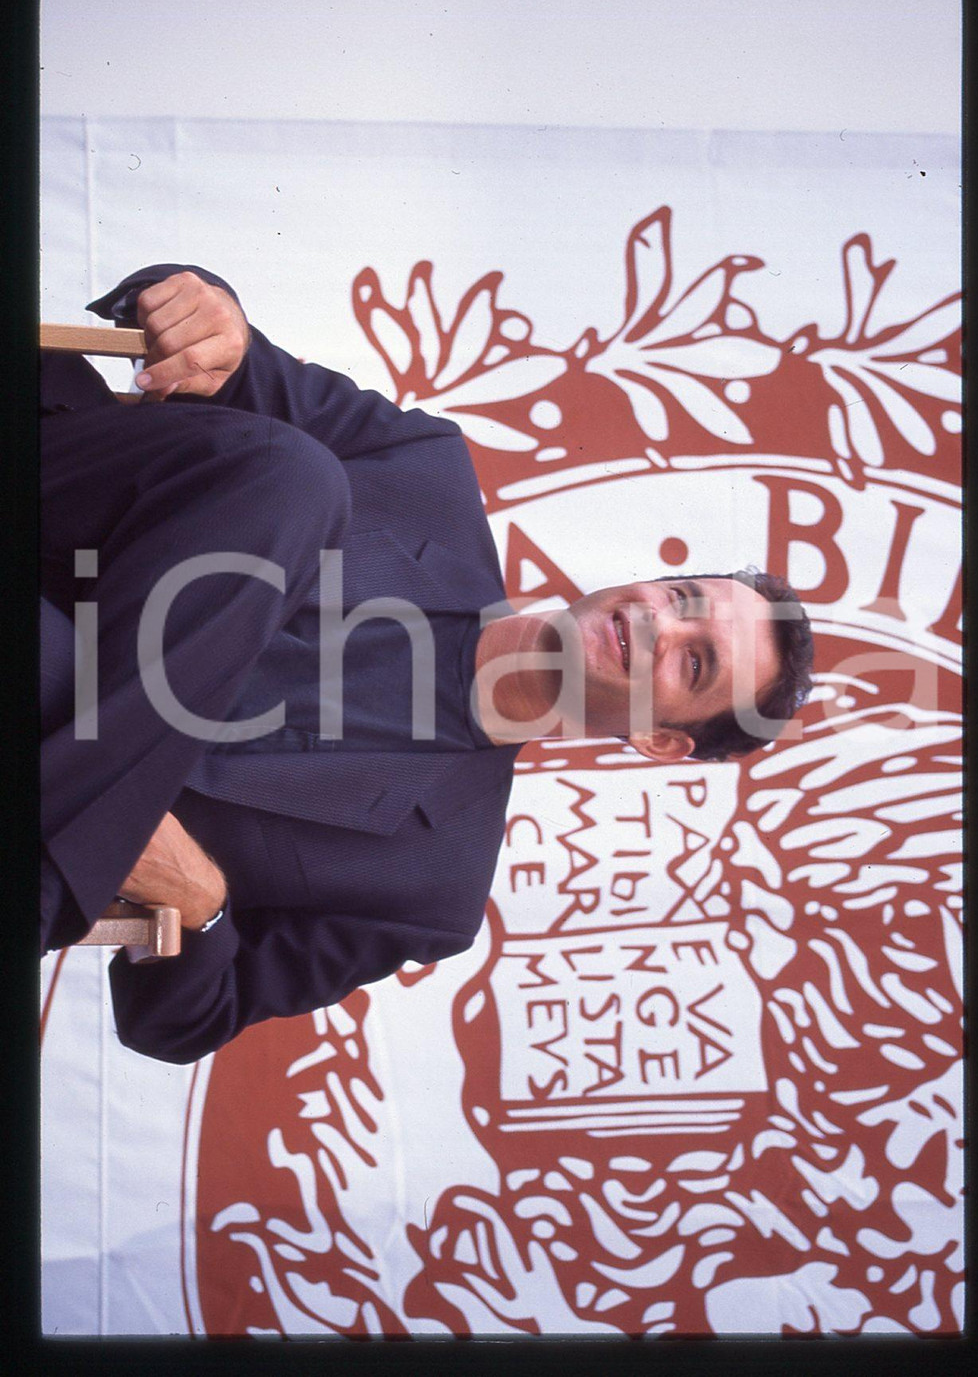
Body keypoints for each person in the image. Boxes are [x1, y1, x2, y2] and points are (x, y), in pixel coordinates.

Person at [40, 264, 813, 1064]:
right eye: (682, 595)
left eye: (695, 664)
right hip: (48, 520)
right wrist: (198, 300)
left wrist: (200, 900)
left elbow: (181, 1022)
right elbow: (233, 356)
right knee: (296, 476)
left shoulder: (429, 891)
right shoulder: (421, 468)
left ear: (661, 742)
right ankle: (73, 830)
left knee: (53, 665)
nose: (658, 622)